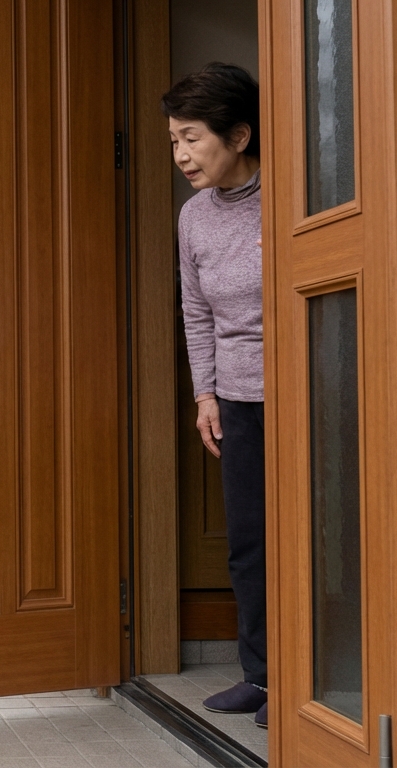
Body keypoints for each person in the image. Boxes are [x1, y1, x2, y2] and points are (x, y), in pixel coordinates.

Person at [163, 63, 269, 729]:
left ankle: (319, 677)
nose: (180, 155)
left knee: (320, 537)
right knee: (249, 541)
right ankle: (263, 676)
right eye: (173, 140)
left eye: (191, 138)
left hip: (309, 392)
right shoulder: (193, 217)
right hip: (235, 398)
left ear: (238, 135)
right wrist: (206, 395)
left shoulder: (293, 195)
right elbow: (196, 313)